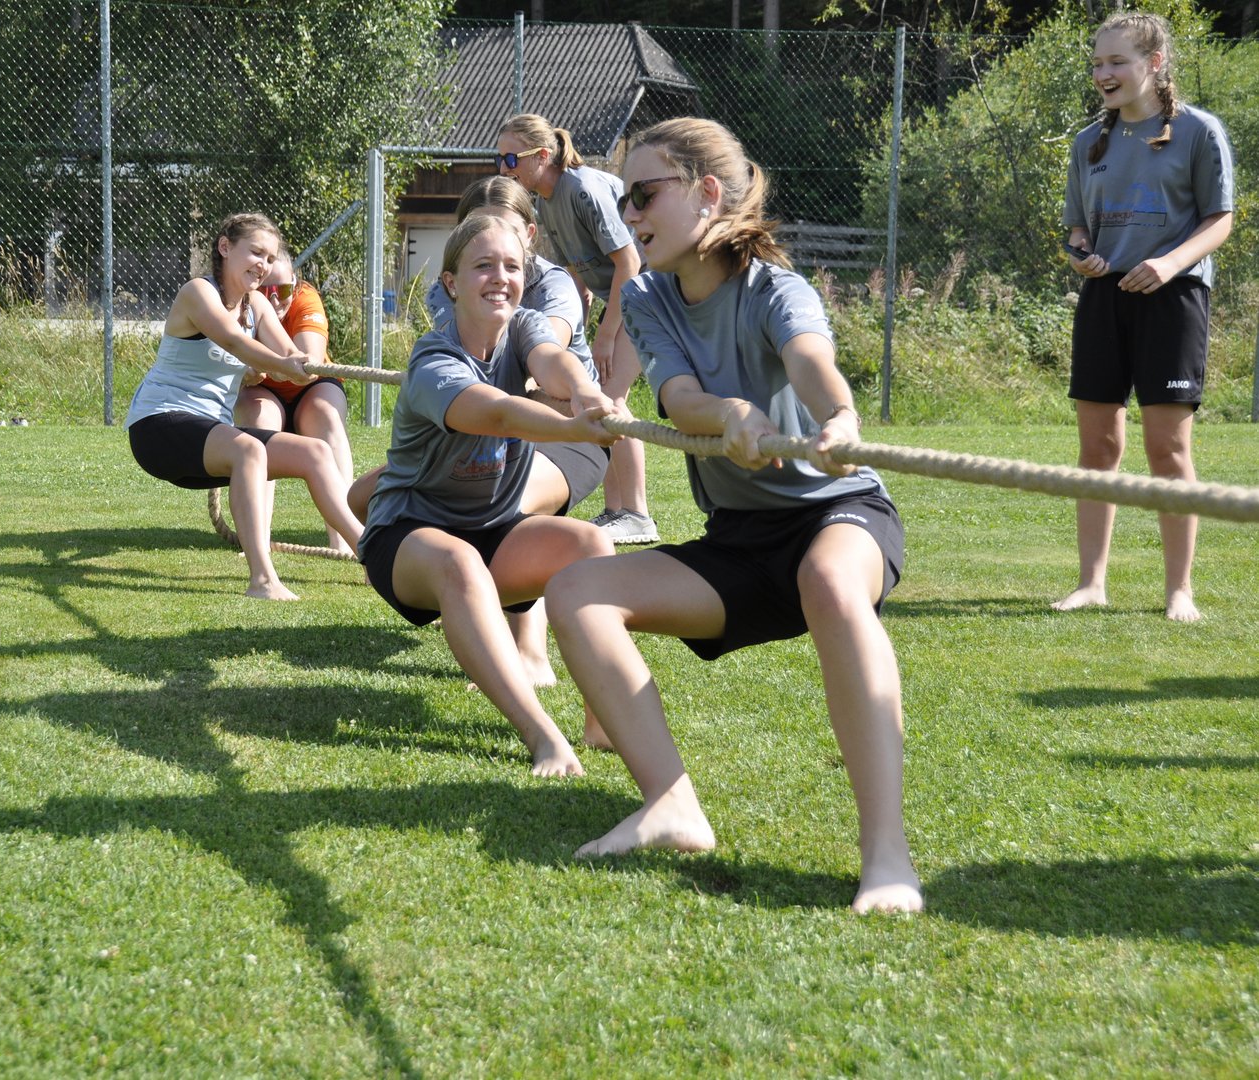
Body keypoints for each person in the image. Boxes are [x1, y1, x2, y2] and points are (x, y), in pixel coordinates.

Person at [545, 118, 923, 914]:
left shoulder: (775, 288)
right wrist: (731, 413)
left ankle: (886, 852)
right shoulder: (645, 291)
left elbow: (813, 364)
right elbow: (678, 397)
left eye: (643, 194)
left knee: (829, 581)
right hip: (743, 544)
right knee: (577, 592)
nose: (628, 213)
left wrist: (841, 421)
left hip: (838, 516)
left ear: (707, 193)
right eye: (622, 197)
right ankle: (670, 804)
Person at [360, 214, 620, 777]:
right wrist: (575, 428)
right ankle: (542, 735)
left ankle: (604, 722)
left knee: (591, 544)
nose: (500, 277)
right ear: (451, 283)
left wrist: (583, 393)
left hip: (494, 530)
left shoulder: (526, 326)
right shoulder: (434, 361)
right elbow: (497, 413)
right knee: (459, 564)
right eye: (483, 266)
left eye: (511, 266)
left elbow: (553, 362)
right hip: (407, 536)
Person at [1052, 11, 1235, 624]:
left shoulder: (1199, 132)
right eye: (1098, 63)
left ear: (1154, 64)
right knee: (1098, 447)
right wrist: (1081, 254)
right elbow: (1078, 225)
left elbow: (1220, 220)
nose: (1103, 74)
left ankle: (1179, 591)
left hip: (1174, 298)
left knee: (1167, 449)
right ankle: (1090, 583)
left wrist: (1167, 264)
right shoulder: (1087, 142)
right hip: (1104, 298)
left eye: (1117, 62)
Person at [124, 213, 364, 601]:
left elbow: (288, 352)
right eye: (255, 252)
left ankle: (371, 554)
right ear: (224, 248)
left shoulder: (256, 304)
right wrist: (281, 364)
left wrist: (303, 365)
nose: (263, 265)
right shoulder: (197, 293)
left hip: (209, 435)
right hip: (158, 426)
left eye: (270, 258)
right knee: (249, 449)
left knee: (315, 453)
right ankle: (263, 581)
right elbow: (235, 342)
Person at [495, 113, 657, 545]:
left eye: (512, 157)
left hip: (651, 297)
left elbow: (630, 263)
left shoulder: (580, 188)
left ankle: (637, 513)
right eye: (500, 158)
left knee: (612, 399)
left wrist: (606, 333)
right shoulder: (547, 201)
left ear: (542, 155)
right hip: (628, 300)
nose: (504, 168)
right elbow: (577, 274)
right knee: (604, 397)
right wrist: (579, 326)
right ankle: (617, 510)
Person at [233, 249, 356, 555]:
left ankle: (343, 540)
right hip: (261, 391)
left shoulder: (306, 299)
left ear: (296, 285)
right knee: (260, 425)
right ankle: (256, 539)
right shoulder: (235, 306)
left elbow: (308, 364)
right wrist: (241, 372)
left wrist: (259, 362)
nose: (275, 300)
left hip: (309, 386)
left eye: (284, 289)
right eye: (265, 291)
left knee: (325, 416)